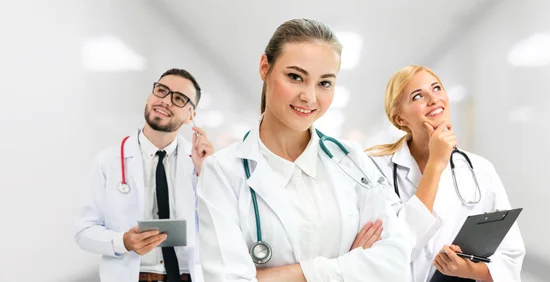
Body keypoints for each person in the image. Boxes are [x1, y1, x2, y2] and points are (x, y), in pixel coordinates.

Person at [195, 19, 412, 282]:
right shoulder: (222, 172)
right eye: (295, 77)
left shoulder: (352, 161)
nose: (309, 97)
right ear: (265, 67)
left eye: (325, 83)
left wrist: (277, 276)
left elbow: (396, 264)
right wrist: (349, 266)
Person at [366, 65, 526, 281]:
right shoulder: (376, 169)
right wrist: (436, 163)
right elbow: (395, 248)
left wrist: (468, 270)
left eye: (437, 88)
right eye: (418, 96)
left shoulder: (480, 170)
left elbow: (511, 255)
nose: (433, 99)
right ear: (400, 119)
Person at [75, 68, 215, 282]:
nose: (166, 101)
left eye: (178, 98)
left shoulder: (201, 164)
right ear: (149, 98)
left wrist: (205, 172)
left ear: (191, 116)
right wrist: (123, 241)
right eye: (161, 91)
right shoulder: (108, 161)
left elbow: (219, 229)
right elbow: (83, 232)